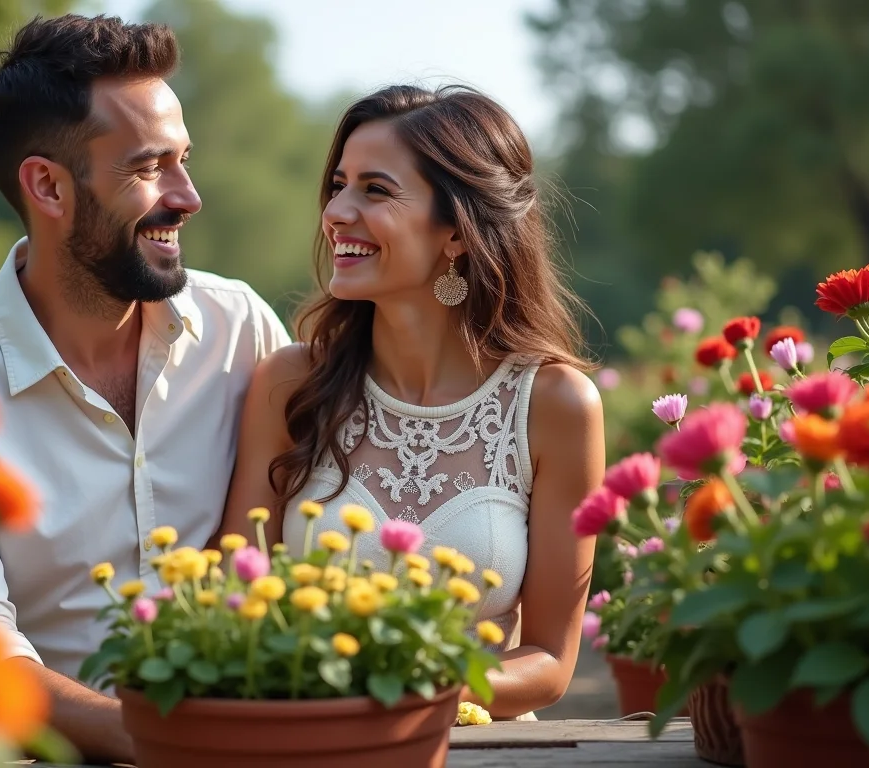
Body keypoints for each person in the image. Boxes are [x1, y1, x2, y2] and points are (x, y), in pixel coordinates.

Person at [0, 14, 290, 763]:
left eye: (183, 160)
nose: (188, 195)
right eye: (148, 167)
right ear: (48, 187)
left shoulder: (242, 330)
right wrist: (180, 745)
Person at [220, 84, 603, 720]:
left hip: (487, 750)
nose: (337, 211)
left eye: (375, 190)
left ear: (456, 232)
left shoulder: (556, 405)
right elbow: (234, 591)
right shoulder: (292, 384)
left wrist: (406, 687)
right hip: (312, 741)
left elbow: (547, 659)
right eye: (338, 185)